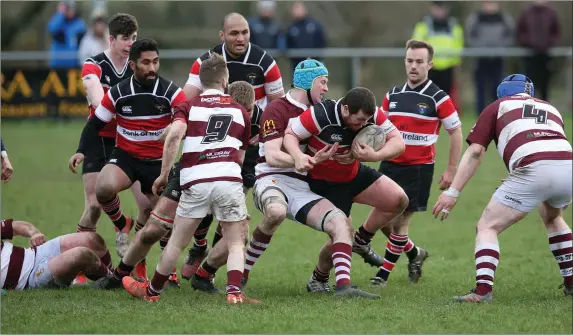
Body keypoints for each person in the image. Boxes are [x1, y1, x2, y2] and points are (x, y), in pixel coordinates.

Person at [90, 81, 259, 292]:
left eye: (252, 110)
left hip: (225, 180)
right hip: (190, 174)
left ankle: (204, 274)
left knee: (240, 232)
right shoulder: (209, 110)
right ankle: (120, 275)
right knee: (154, 229)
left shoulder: (256, 119)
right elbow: (172, 132)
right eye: (247, 110)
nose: (249, 113)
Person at [237, 59, 379, 299]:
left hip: (303, 186)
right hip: (271, 179)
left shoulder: (322, 112)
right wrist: (299, 159)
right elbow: (271, 156)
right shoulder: (277, 109)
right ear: (307, 83)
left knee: (341, 224)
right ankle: (240, 274)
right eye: (322, 82)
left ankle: (344, 287)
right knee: (276, 212)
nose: (325, 88)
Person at [432, 74, 573, 302]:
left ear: (501, 92)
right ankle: (571, 282)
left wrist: (452, 192)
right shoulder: (550, 108)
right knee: (553, 217)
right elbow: (544, 143)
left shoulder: (498, 106)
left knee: (487, 226)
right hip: (567, 166)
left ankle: (482, 292)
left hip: (534, 169)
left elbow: (476, 151)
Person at [179, 12, 284, 277]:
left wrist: (268, 136)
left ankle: (209, 270)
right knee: (204, 203)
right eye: (234, 33)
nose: (240, 38)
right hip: (211, 143)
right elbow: (186, 99)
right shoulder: (206, 61)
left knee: (230, 207)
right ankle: (199, 246)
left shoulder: (265, 62)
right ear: (222, 35)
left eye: (245, 33)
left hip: (248, 147)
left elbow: (279, 107)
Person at [72, 38, 186, 281]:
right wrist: (81, 150)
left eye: (155, 62)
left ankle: (150, 264)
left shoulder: (171, 92)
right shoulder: (118, 92)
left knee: (160, 219)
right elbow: (95, 124)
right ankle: (121, 222)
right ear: (133, 65)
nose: (152, 68)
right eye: (146, 62)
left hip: (157, 163)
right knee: (103, 189)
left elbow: (185, 116)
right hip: (126, 158)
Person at [282, 87, 408, 291]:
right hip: (325, 183)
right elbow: (290, 135)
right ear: (346, 109)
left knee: (398, 199)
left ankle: (362, 239)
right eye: (359, 121)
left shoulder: (372, 114)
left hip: (354, 174)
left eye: (367, 121)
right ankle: (318, 278)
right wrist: (298, 156)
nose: (363, 125)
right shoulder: (319, 115)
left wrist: (375, 156)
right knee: (342, 234)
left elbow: (399, 142)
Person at [374, 39, 462, 286]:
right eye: (410, 61)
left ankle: (382, 276)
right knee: (382, 222)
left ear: (430, 65)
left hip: (418, 169)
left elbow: (455, 132)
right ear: (405, 62)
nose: (414, 66)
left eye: (419, 62)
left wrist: (452, 169)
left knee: (401, 223)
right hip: (389, 165)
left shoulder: (438, 97)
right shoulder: (392, 95)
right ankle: (415, 253)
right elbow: (379, 129)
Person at [1, 219, 113, 290]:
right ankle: (115, 281)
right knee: (81, 254)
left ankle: (115, 275)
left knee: (92, 240)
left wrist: (34, 233)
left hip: (35, 253)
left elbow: (14, 226)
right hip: (30, 279)